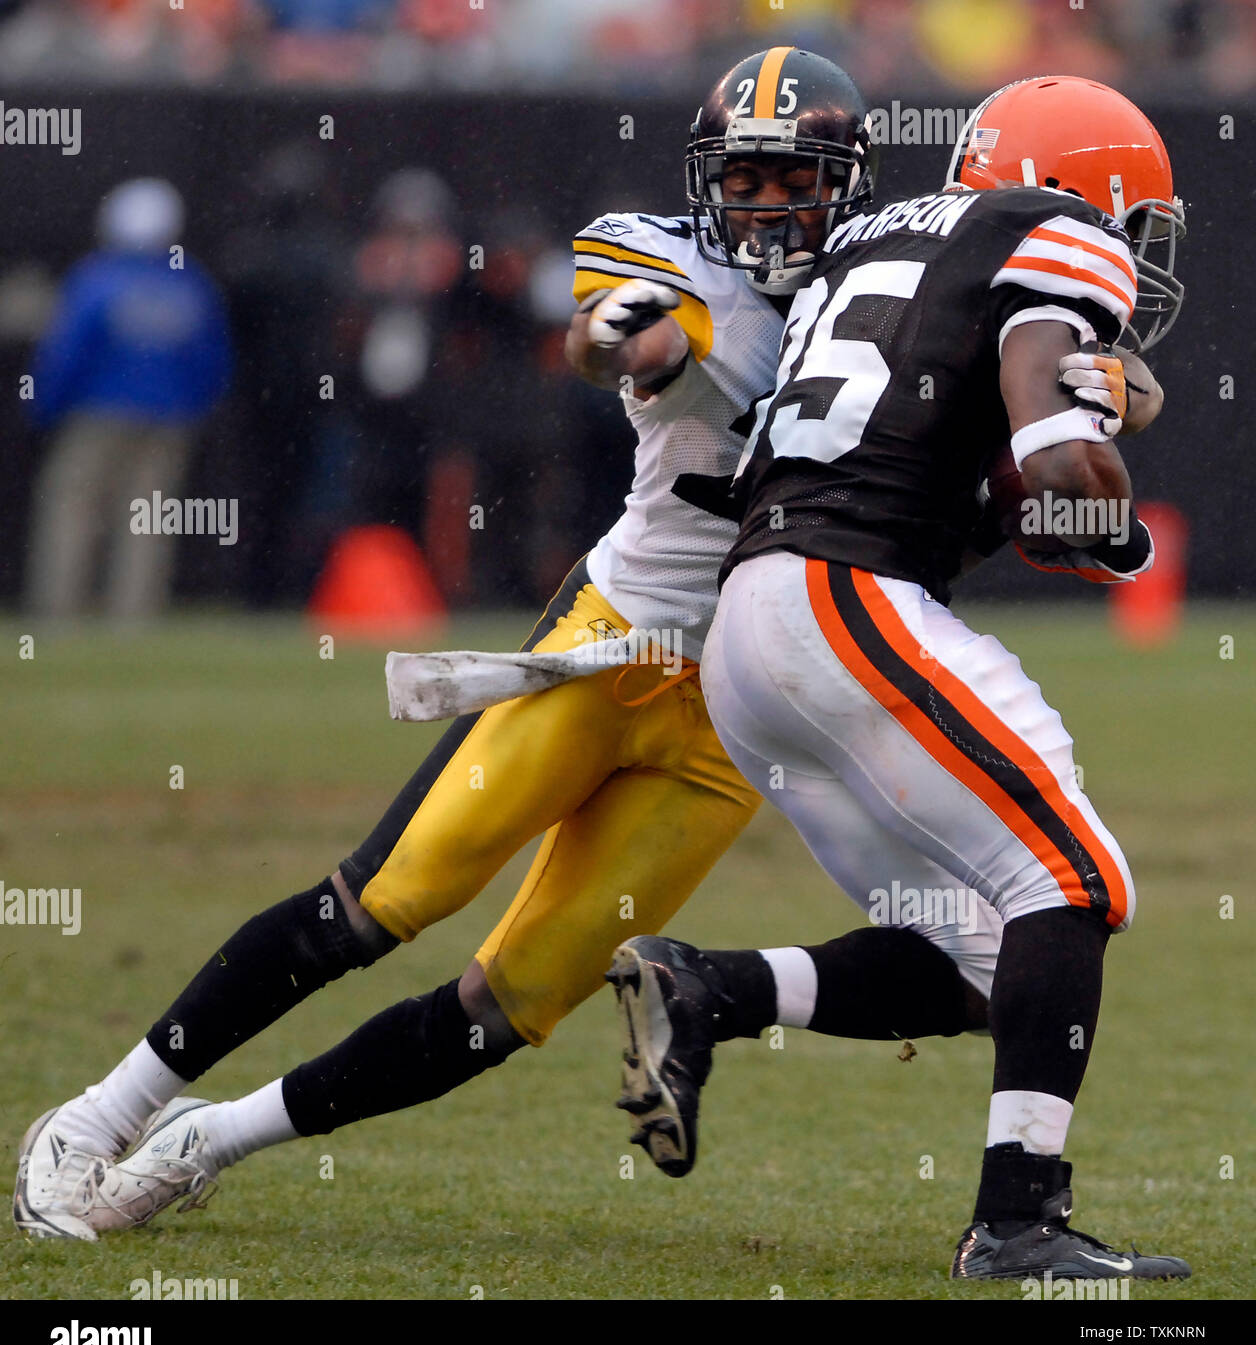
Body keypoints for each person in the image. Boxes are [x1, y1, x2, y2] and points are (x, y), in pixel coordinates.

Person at [12, 54, 1150, 1245]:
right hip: (617, 646)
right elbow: (628, 344)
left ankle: (212, 1135)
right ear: (706, 182)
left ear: (848, 184)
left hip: (732, 703)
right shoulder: (669, 253)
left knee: (507, 1005)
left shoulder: (879, 266)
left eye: (795, 179)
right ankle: (93, 1118)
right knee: (381, 900)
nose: (768, 206)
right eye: (745, 177)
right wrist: (623, 344)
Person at [606, 75, 1191, 1282]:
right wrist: (1096, 469)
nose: (1131, 254)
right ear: (1084, 198)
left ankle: (707, 987)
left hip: (753, 634)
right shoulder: (1050, 237)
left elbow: (980, 501)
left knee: (982, 951)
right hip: (843, 596)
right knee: (1070, 879)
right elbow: (1052, 468)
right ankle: (1017, 1219)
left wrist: (1084, 511)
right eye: (1129, 222)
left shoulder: (869, 246)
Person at [24, 178, 232, 620]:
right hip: (167, 418)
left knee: (72, 508)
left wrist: (44, 406)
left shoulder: (96, 278)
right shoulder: (188, 283)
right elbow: (210, 359)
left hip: (97, 414)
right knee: (148, 519)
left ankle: (58, 611)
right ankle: (133, 616)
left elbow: (65, 353)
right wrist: (193, 405)